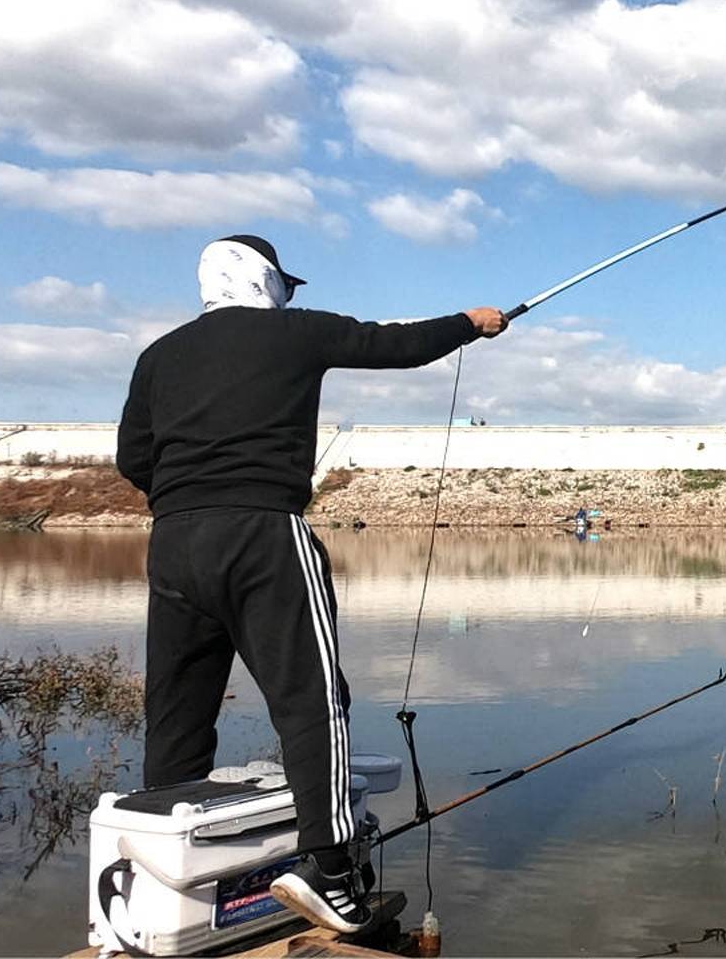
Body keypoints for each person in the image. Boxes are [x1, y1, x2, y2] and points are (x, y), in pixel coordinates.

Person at [116, 234, 508, 933]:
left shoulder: (158, 355)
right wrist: (471, 323)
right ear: (266, 282)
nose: (290, 296)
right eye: (284, 285)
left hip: (173, 542)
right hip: (264, 534)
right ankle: (330, 873)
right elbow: (397, 344)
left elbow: (132, 458)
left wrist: (190, 497)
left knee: (177, 708)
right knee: (312, 702)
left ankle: (162, 877)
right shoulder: (296, 333)